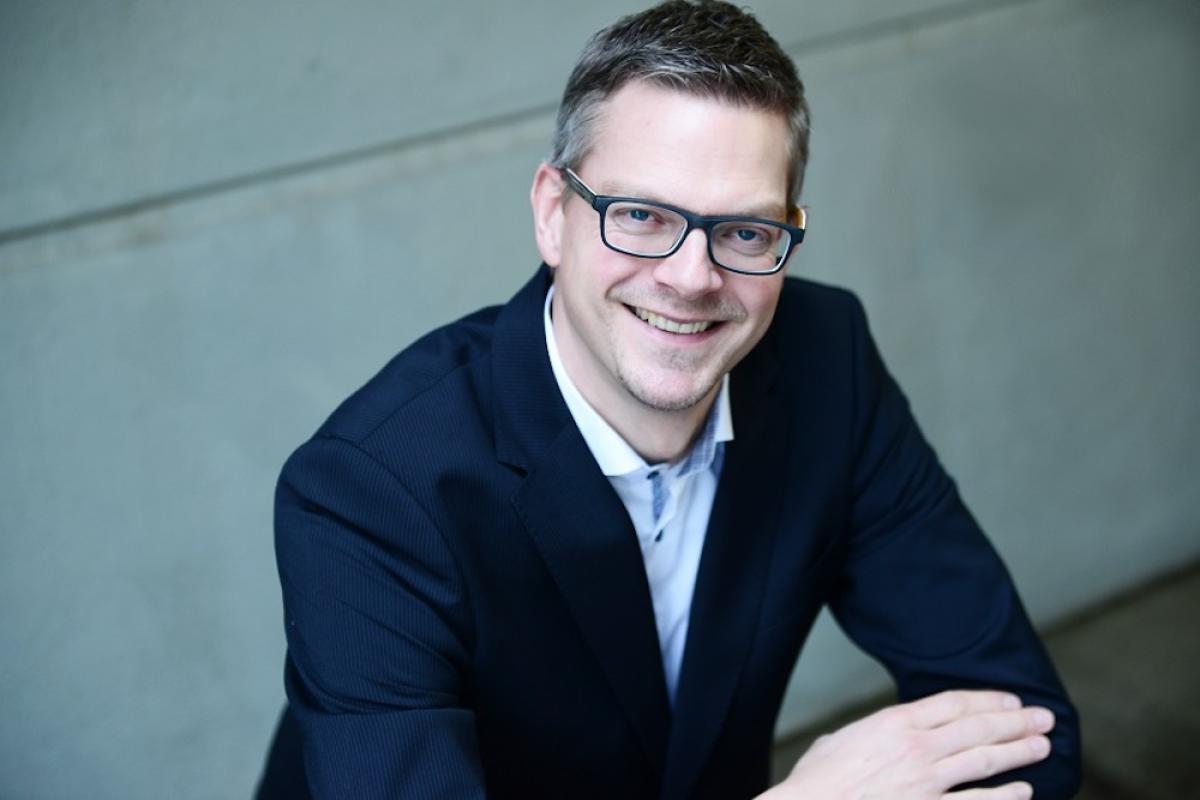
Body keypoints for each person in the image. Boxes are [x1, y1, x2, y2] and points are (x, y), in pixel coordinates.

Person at [258, 2, 1080, 798]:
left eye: (745, 232)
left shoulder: (826, 361)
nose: (692, 278)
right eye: (641, 215)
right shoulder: (372, 491)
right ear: (552, 215)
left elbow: (1027, 732)